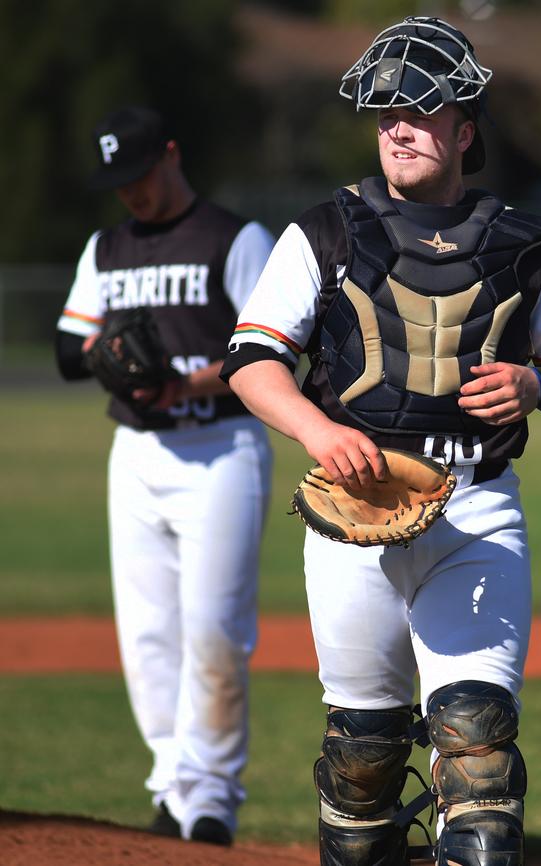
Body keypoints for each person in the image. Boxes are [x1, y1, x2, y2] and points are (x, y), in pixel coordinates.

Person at [220, 17, 541, 866]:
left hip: (477, 515)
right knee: (363, 761)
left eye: (421, 111)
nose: (398, 126)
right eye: (386, 112)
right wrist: (320, 431)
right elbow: (251, 362)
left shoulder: (522, 244)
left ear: (464, 131)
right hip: (353, 518)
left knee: (478, 756)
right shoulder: (323, 232)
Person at [55, 105, 275, 846]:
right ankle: (171, 787)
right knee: (148, 632)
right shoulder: (108, 247)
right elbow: (67, 347)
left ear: (172, 155)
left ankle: (211, 797)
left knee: (214, 627)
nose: (133, 194)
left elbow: (278, 354)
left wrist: (188, 381)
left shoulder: (235, 239)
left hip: (221, 449)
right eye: (119, 182)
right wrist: (109, 359)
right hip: (140, 454)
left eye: (142, 175)